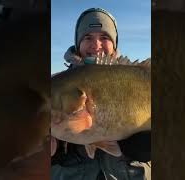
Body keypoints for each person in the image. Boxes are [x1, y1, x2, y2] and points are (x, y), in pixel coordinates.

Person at [51, 7, 151, 180]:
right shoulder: (57, 83)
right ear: (78, 43)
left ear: (114, 43)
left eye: (104, 37)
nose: (96, 45)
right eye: (88, 37)